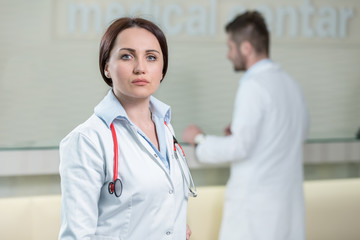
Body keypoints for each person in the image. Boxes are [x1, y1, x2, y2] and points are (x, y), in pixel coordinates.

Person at [59, 17, 195, 240]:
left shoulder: (164, 126)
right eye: (127, 56)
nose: (141, 68)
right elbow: (76, 236)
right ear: (106, 68)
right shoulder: (87, 140)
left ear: (162, 70)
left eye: (151, 57)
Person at [182, 11, 309, 240]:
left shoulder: (253, 85)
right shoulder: (291, 85)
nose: (228, 55)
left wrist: (200, 139)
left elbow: (239, 148)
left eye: (231, 47)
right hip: (287, 210)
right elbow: (294, 134)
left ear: (246, 48)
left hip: (256, 214)